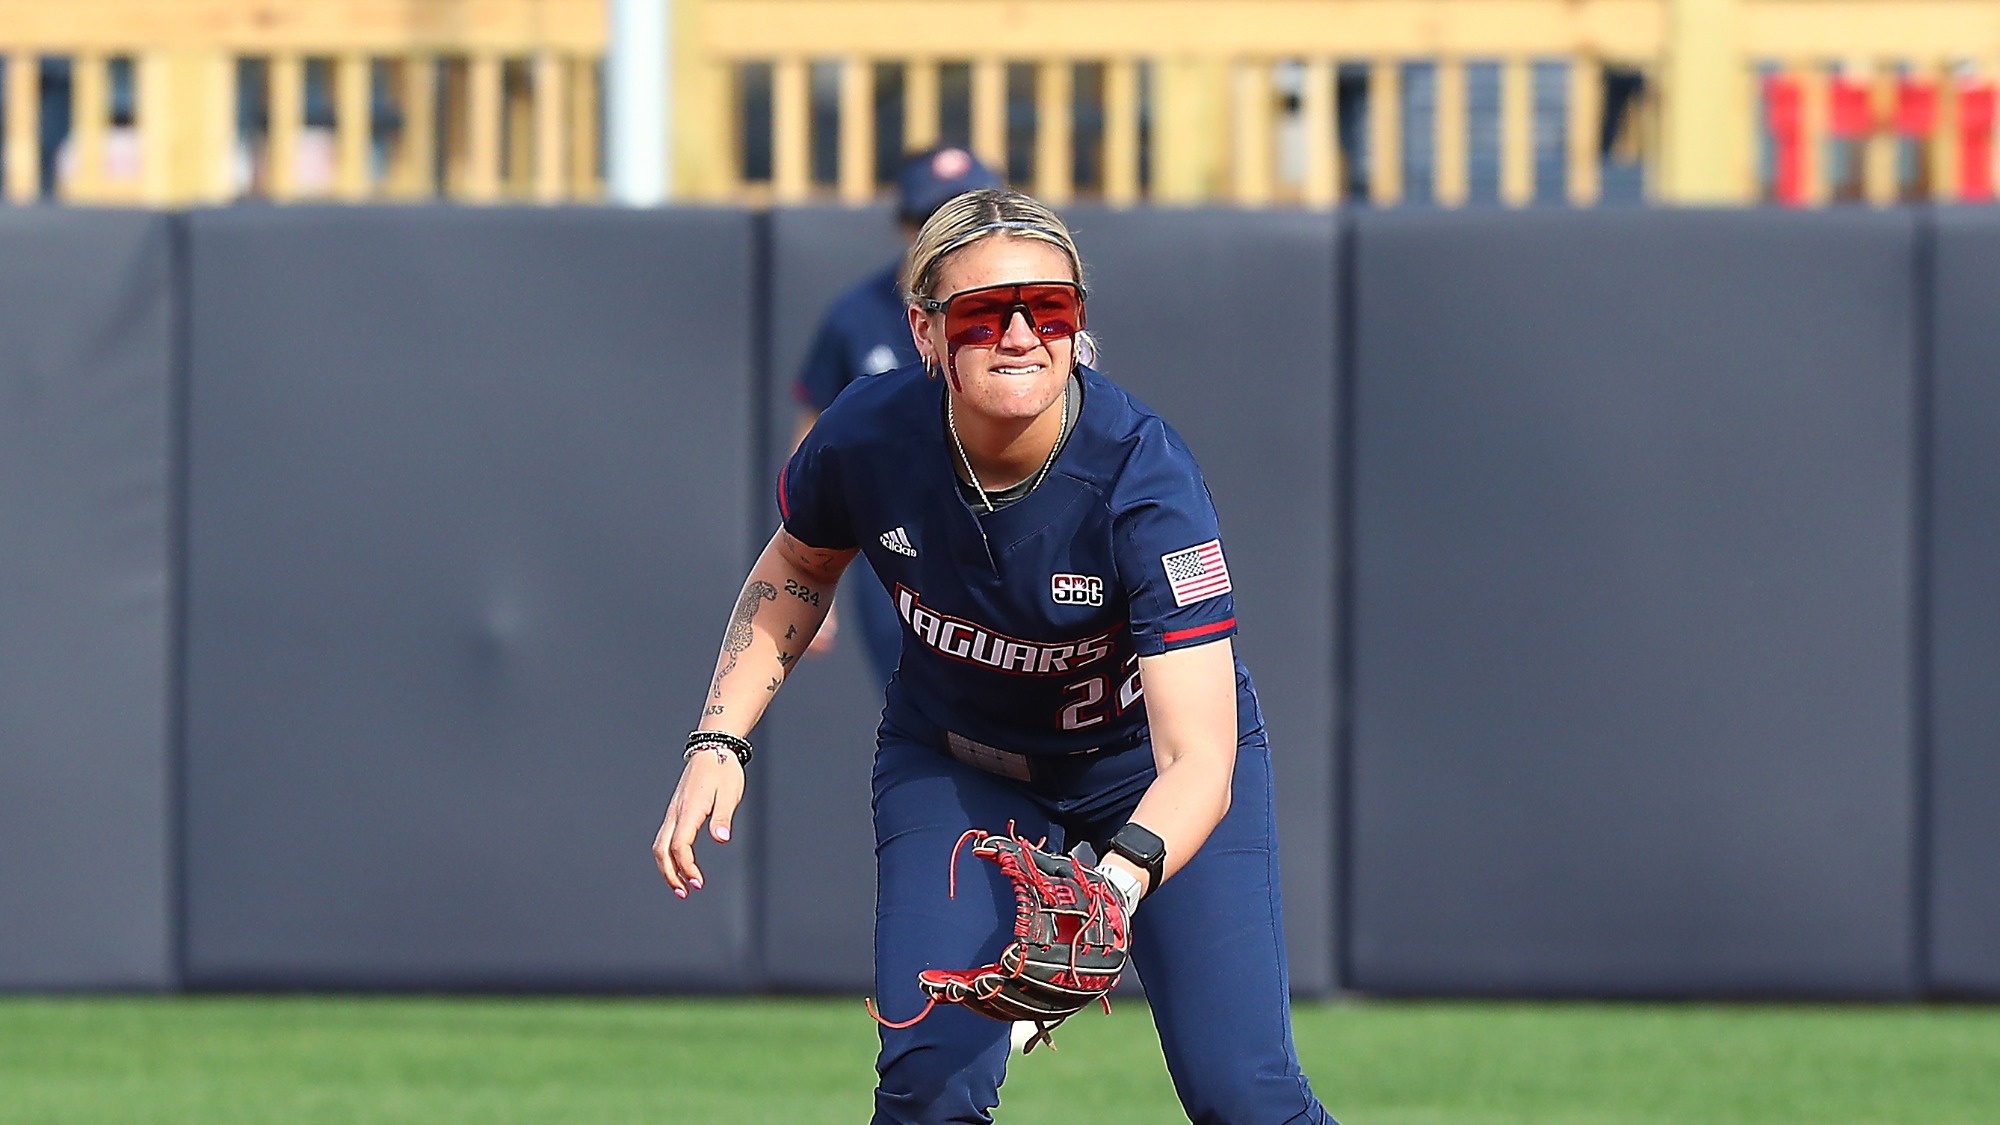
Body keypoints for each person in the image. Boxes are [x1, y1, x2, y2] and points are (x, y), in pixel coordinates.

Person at [655, 189, 1333, 1125]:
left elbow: (1201, 759)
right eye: (984, 312)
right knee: (931, 1085)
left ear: (1078, 326)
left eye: (1050, 308)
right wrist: (718, 741)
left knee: (1243, 1095)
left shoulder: (1144, 479)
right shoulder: (869, 435)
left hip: (1142, 773)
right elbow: (799, 564)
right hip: (958, 762)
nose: (1021, 333)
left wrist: (1114, 884)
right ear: (926, 331)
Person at [791, 146, 1002, 685]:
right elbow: (816, 441)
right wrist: (806, 578)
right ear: (907, 225)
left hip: (1002, 539)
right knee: (916, 710)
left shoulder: (1017, 315)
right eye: (938, 216)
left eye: (972, 214)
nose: (956, 232)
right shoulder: (856, 316)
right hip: (898, 549)